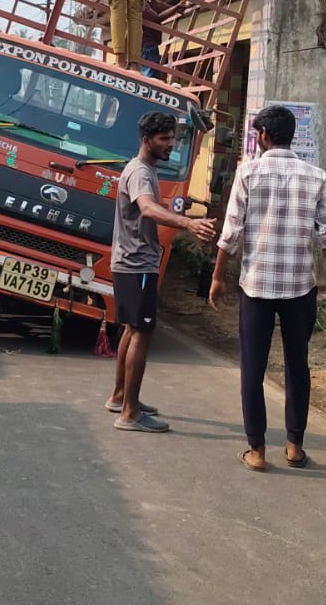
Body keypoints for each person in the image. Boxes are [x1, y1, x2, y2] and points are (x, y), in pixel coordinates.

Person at [209, 105, 326, 472]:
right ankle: (295, 447)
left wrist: (218, 276)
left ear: (263, 136)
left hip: (257, 286)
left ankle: (256, 450)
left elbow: (232, 233)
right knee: (297, 367)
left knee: (252, 370)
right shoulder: (315, 176)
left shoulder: (248, 173)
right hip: (300, 288)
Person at [109, 112, 215, 432]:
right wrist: (188, 223)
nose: (171, 144)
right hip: (137, 262)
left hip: (130, 261)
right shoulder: (140, 173)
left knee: (132, 329)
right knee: (142, 332)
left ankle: (119, 396)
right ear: (146, 141)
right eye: (164, 139)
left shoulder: (143, 169)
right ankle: (129, 414)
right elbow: (148, 208)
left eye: (172, 138)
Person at [139, 4, 165, 80]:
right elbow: (157, 18)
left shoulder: (148, 1)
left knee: (154, 75)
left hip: (149, 47)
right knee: (150, 75)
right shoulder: (141, 5)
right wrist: (177, 7)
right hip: (148, 47)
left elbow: (159, 5)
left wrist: (177, 7)